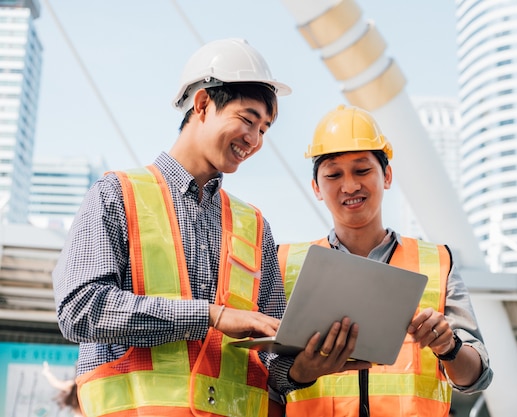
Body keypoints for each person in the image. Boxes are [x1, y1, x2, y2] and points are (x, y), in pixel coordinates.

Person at [53, 39, 365, 417]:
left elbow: (271, 362)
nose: (255, 140)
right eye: (248, 120)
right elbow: (80, 309)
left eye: (265, 129)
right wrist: (210, 316)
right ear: (202, 104)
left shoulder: (254, 226)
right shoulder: (117, 195)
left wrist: (303, 369)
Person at [273, 104, 493, 416]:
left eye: (362, 170)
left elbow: (476, 377)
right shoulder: (285, 264)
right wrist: (299, 371)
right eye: (334, 174)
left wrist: (449, 347)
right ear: (316, 189)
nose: (349, 186)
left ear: (387, 176)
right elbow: (265, 376)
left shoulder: (437, 262)